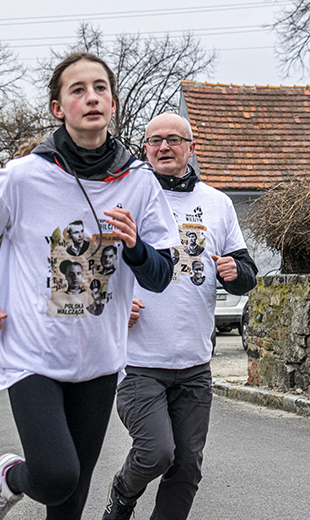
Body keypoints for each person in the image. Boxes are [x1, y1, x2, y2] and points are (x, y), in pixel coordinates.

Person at [0, 52, 178, 520]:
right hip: (30, 350)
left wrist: (135, 246)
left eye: (100, 88)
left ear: (113, 103)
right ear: (58, 108)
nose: (91, 97)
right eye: (77, 90)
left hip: (97, 356)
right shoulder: (22, 177)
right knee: (55, 476)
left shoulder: (140, 183)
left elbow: (160, 275)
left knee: (72, 496)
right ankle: (10, 477)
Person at [103, 113, 258, 520]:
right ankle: (122, 494)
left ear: (192, 148)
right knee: (156, 452)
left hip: (193, 364)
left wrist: (235, 272)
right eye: (154, 141)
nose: (164, 147)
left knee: (186, 466)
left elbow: (247, 272)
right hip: (138, 362)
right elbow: (95, 271)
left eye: (174, 139)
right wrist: (116, 304)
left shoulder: (217, 203)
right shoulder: (125, 199)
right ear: (145, 149)